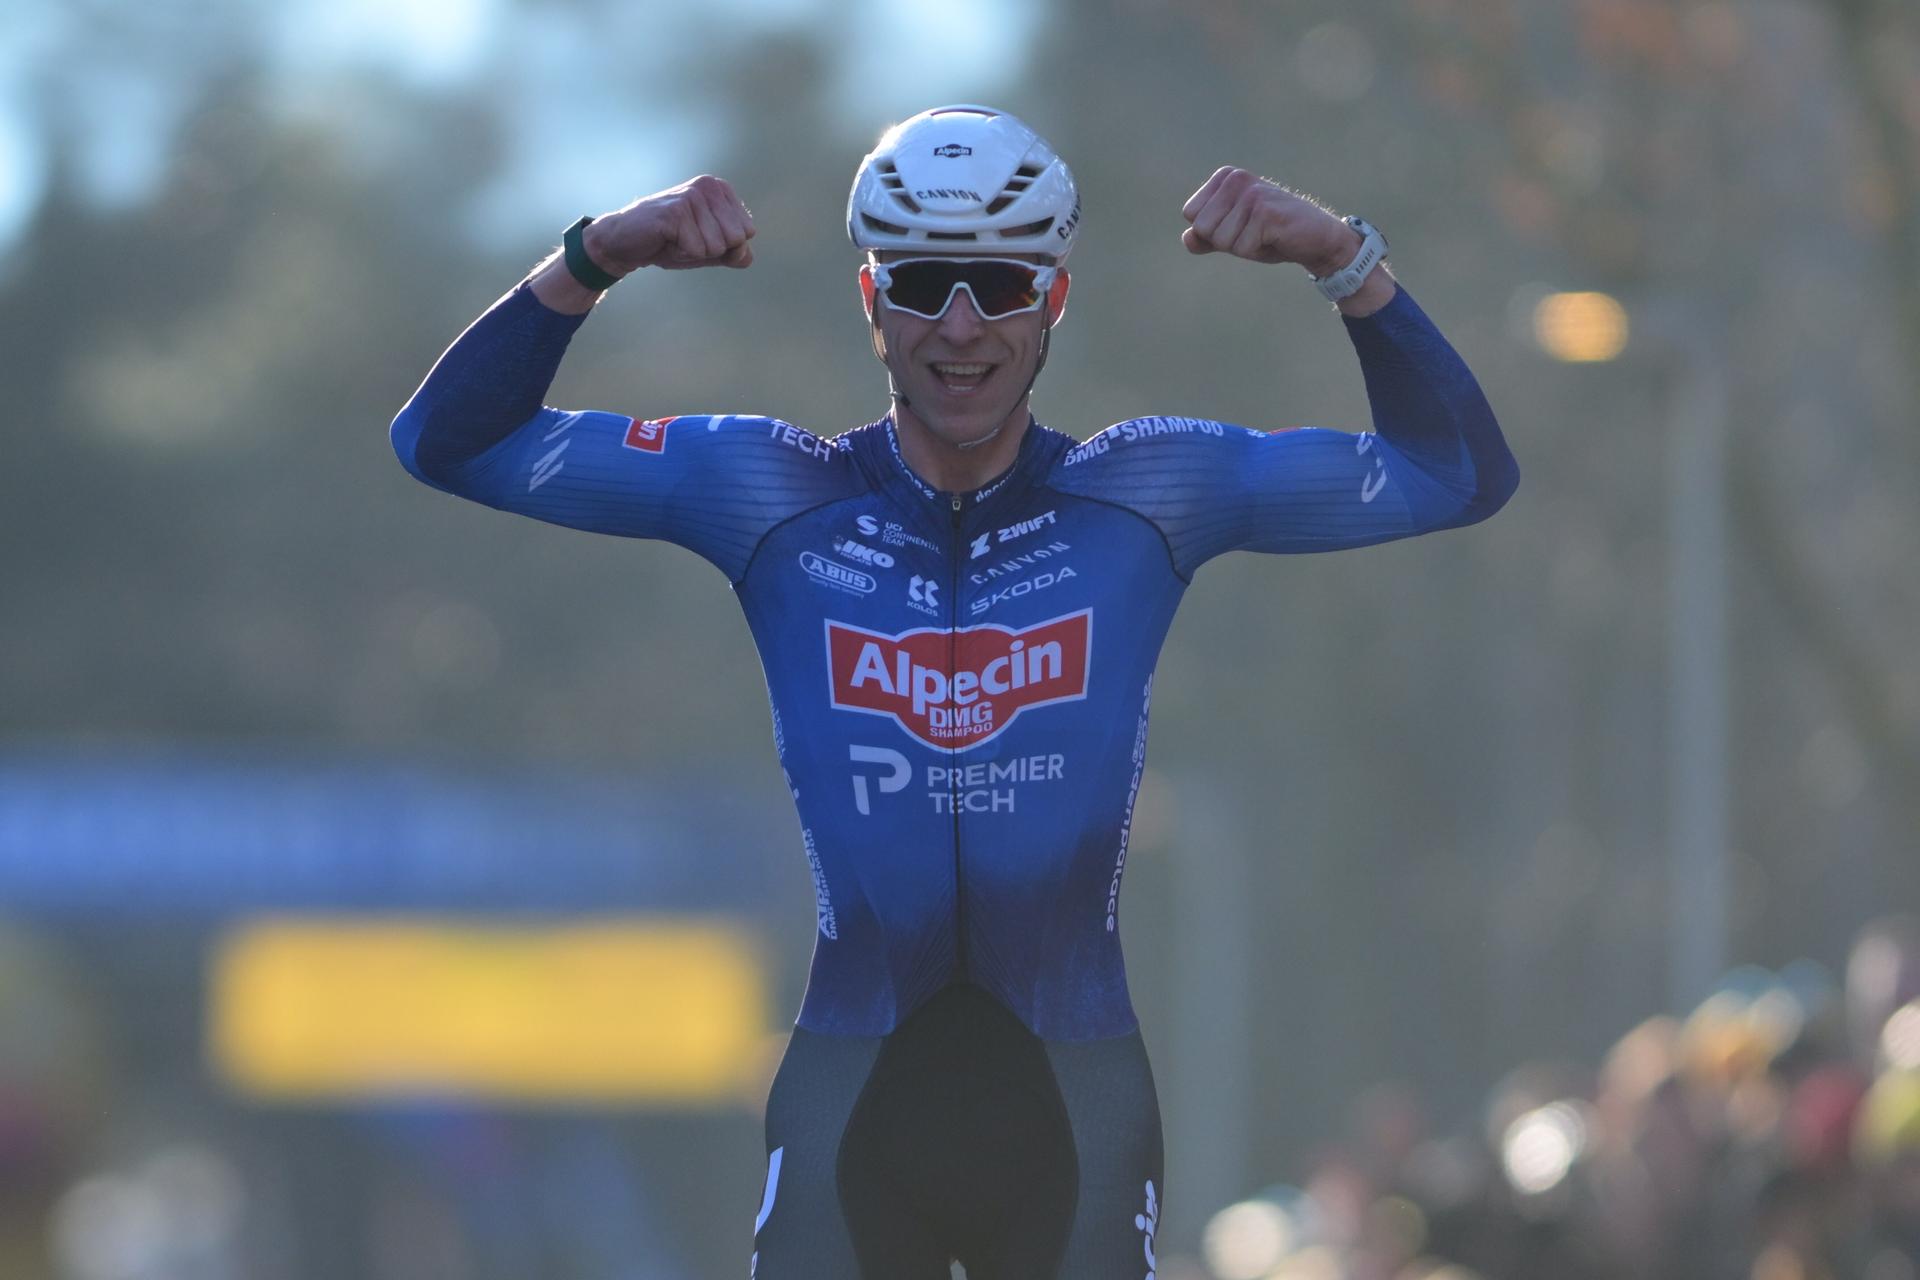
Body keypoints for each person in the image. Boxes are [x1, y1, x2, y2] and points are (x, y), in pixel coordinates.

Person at [391, 103, 1518, 1280]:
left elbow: (1457, 474)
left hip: (1072, 1096)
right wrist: (598, 258)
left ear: (1056, 300)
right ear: (873, 301)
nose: (964, 324)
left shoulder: (1146, 494)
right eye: (927, 283)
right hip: (853, 1089)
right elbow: (446, 442)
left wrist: (1342, 261)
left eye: (1000, 283)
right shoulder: (772, 493)